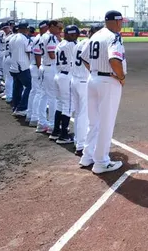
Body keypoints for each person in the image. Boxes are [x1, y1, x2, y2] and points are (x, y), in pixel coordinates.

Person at [80, 10, 127, 174]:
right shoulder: (114, 36)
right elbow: (114, 59)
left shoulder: (96, 35)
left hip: (92, 80)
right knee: (106, 123)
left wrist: (95, 71)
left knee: (94, 122)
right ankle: (101, 162)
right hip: (108, 82)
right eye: (121, 21)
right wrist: (120, 76)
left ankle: (87, 156)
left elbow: (84, 57)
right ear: (116, 21)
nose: (122, 24)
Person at [71, 24, 100, 156]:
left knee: (78, 114)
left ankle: (78, 141)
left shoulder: (78, 44)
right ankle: (82, 145)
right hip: (83, 81)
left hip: (75, 80)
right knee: (84, 115)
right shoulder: (92, 44)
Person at [52, 24, 80, 143]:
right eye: (74, 34)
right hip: (67, 76)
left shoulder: (60, 44)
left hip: (58, 75)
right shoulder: (72, 44)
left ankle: (55, 131)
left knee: (60, 104)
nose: (76, 36)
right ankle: (63, 135)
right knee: (68, 105)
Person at [8, 21, 33, 117]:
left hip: (14, 65)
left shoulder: (12, 37)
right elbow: (28, 52)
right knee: (30, 86)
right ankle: (22, 107)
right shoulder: (25, 38)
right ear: (26, 29)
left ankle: (16, 107)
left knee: (17, 87)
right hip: (23, 66)